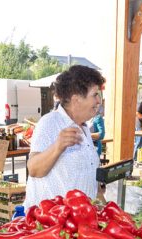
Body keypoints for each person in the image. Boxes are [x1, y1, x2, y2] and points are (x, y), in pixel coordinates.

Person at [24, 65, 105, 208]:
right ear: (76, 99)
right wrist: (58, 146)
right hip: (52, 217)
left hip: (80, 216)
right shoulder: (50, 123)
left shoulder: (83, 128)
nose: (98, 100)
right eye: (95, 95)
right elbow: (34, 169)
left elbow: (89, 175)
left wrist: (101, 203)